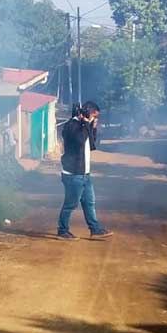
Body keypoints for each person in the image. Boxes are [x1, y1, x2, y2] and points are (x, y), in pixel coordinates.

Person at [57, 101, 114, 241]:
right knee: (70, 204)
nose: (95, 118)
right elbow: (80, 140)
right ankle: (62, 231)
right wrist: (86, 124)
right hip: (73, 174)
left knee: (89, 202)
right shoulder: (71, 126)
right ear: (87, 113)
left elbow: (91, 145)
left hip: (84, 174)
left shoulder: (83, 126)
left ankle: (95, 229)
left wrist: (93, 128)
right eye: (94, 116)